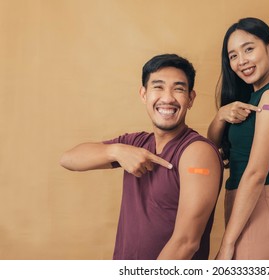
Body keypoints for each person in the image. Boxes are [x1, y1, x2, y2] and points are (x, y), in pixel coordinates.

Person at [60, 54, 223, 260]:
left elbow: (186, 243)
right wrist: (116, 151)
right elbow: (68, 159)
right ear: (143, 94)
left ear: (191, 99)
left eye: (179, 89)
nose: (168, 98)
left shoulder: (197, 152)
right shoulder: (134, 143)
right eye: (158, 87)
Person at [207, 17, 269, 260]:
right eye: (233, 55)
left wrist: (227, 243)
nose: (241, 60)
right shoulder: (252, 99)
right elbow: (211, 149)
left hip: (258, 219)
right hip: (244, 217)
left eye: (249, 49)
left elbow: (256, 173)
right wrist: (220, 116)